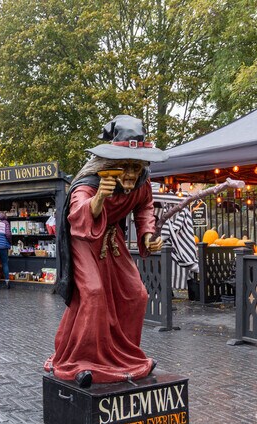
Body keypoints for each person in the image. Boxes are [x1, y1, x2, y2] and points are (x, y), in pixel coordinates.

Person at [44, 115, 167, 388]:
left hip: (112, 240)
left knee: (137, 294)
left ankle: (124, 357)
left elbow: (145, 207)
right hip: (84, 241)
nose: (131, 174)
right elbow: (76, 215)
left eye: (136, 166)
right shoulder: (89, 181)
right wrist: (99, 197)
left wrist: (148, 235)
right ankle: (80, 361)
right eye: (125, 166)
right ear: (111, 163)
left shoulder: (141, 181)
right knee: (94, 293)